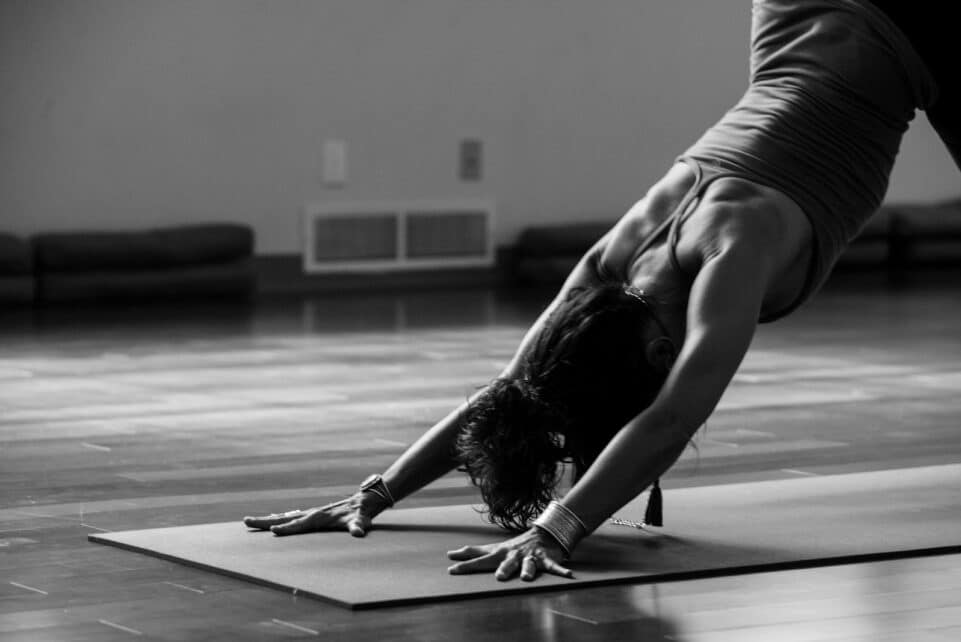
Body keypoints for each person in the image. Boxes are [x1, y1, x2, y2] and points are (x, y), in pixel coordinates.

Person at [245, 0, 959, 583]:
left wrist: (558, 530)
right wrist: (377, 493)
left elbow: (669, 420)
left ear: (655, 352)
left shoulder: (729, 254)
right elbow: (508, 392)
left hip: (897, 35)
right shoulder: (606, 268)